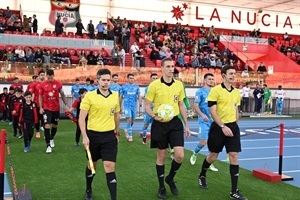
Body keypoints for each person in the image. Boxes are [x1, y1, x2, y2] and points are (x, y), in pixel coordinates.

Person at [198, 65, 247, 200]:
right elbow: (213, 112)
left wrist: (235, 126)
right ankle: (202, 174)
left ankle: (234, 191)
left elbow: (236, 109)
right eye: (230, 73)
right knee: (213, 156)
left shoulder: (237, 92)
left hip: (232, 127)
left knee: (234, 156)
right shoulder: (215, 91)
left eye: (234, 73)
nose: (233, 75)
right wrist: (223, 126)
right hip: (218, 128)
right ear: (224, 75)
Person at [145, 57, 191, 199]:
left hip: (175, 123)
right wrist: (154, 116)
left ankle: (170, 178)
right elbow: (147, 105)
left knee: (180, 155)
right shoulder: (154, 85)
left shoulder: (179, 85)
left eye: (173, 66)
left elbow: (181, 105)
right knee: (161, 156)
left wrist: (186, 124)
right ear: (162, 68)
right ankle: (161, 187)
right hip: (159, 124)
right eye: (169, 66)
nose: (172, 69)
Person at [79, 68, 120, 200]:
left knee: (109, 166)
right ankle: (88, 189)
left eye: (108, 80)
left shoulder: (115, 95)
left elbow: (117, 114)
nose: (106, 82)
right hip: (93, 137)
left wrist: (116, 132)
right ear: (97, 80)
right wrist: (84, 136)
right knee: (92, 165)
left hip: (109, 136)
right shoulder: (89, 96)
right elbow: (81, 118)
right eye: (103, 80)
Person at [189, 73, 218, 172]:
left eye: (212, 79)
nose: (211, 81)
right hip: (204, 121)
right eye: (209, 79)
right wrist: (202, 115)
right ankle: (195, 153)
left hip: (214, 121)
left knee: (213, 143)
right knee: (203, 141)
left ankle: (210, 163)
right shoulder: (200, 92)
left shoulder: (215, 92)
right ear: (205, 80)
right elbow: (196, 106)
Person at [39, 69, 69, 153]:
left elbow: (62, 95)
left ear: (53, 75)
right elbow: (40, 96)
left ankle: (51, 138)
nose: (49, 79)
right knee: (47, 126)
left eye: (51, 77)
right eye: (48, 77)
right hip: (46, 108)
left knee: (55, 125)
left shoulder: (58, 84)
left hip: (56, 108)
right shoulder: (43, 85)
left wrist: (66, 104)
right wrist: (41, 108)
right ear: (46, 76)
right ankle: (48, 145)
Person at [120, 73, 142, 141]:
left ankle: (126, 129)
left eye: (132, 78)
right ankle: (130, 136)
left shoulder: (136, 86)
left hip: (134, 105)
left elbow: (139, 95)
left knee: (132, 121)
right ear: (127, 79)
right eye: (130, 78)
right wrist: (119, 105)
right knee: (129, 119)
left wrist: (140, 102)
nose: (131, 79)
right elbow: (121, 96)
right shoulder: (123, 87)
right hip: (127, 105)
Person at [142, 73, 158, 144]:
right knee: (146, 124)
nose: (154, 80)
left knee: (157, 126)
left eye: (156, 78)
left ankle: (156, 140)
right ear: (150, 79)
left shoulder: (159, 87)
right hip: (150, 110)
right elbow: (146, 99)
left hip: (157, 110)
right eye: (153, 78)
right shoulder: (147, 88)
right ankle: (144, 138)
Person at [31, 70, 46, 138]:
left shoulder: (47, 83)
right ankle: (37, 131)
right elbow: (31, 93)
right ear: (39, 76)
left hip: (46, 104)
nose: (42, 76)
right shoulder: (35, 84)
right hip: (37, 104)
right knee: (37, 119)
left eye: (43, 75)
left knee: (45, 119)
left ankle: (46, 132)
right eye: (41, 75)